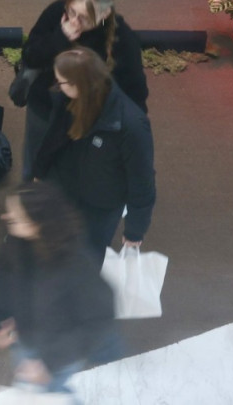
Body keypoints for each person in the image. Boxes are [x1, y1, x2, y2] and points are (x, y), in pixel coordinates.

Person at [0, 182, 117, 399]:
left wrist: (48, 364)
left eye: (16, 215)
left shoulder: (76, 262)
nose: (7, 217)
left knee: (52, 394)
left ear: (37, 223)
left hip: (59, 351)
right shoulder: (15, 241)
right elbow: (2, 280)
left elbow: (99, 318)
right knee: (40, 395)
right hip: (26, 340)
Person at [32, 48, 156, 257]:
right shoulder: (70, 100)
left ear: (78, 84)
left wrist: (135, 229)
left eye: (60, 82)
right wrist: (40, 171)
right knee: (54, 251)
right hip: (64, 190)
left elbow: (142, 178)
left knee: (87, 260)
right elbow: (54, 137)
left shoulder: (131, 125)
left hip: (100, 208)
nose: (58, 87)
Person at [16, 0, 147, 175]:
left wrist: (133, 131)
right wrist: (60, 38)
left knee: (71, 170)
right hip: (44, 105)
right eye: (72, 12)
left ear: (105, 14)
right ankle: (30, 196)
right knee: (35, 160)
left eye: (85, 18)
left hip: (85, 117)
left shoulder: (122, 39)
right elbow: (30, 55)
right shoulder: (55, 13)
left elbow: (135, 91)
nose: (74, 22)